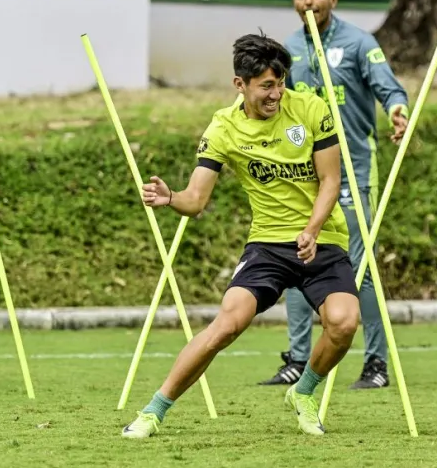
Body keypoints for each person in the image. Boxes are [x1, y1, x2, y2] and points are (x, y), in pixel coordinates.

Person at [121, 33, 359, 438]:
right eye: (266, 85)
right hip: (267, 244)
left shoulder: (311, 109)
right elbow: (196, 201)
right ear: (240, 85)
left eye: (280, 82)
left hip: (321, 240)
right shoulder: (223, 128)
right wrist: (171, 198)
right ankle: (153, 411)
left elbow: (330, 181)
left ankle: (304, 392)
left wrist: (312, 230)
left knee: (344, 322)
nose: (276, 93)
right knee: (228, 323)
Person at [258, 0, 410, 390]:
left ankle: (375, 362)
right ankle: (297, 358)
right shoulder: (286, 49)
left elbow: (390, 90)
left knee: (360, 270)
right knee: (295, 261)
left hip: (355, 173)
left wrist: (398, 112)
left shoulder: (360, 43)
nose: (307, 2)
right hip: (302, 179)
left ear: (333, 0)